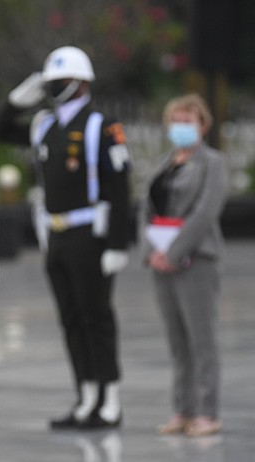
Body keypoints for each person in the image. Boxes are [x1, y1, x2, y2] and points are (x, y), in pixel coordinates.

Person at [0, 46, 130, 429]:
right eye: (51, 82)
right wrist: (15, 102)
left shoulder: (101, 126)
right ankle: (86, 397)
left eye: (62, 81)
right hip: (55, 235)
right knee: (71, 319)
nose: (55, 88)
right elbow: (0, 131)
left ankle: (110, 399)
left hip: (90, 234)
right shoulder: (44, 125)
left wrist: (118, 244)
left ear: (82, 82)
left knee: (96, 317)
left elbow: (120, 188)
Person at [142, 94, 227, 437]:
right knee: (177, 341)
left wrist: (174, 252)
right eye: (175, 121)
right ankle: (183, 409)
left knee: (201, 340)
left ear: (203, 125)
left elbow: (205, 212)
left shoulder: (213, 163)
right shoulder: (164, 164)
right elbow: (146, 209)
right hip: (161, 261)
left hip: (196, 261)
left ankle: (208, 412)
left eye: (187, 121)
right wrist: (151, 251)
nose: (180, 127)